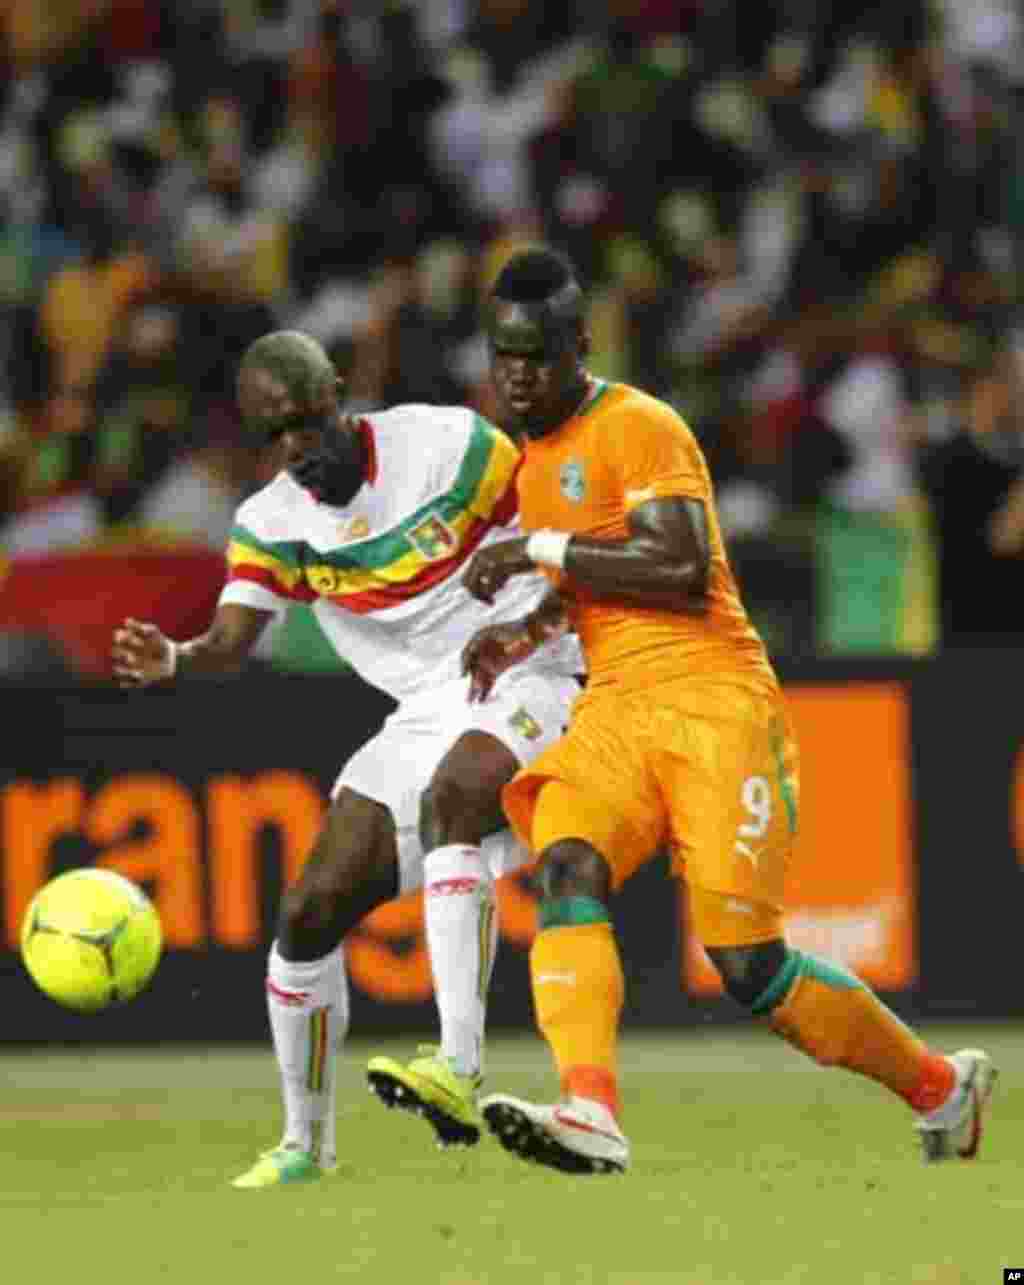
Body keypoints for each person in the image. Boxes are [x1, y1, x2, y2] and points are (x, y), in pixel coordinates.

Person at [460, 247, 995, 1175]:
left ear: (579, 345)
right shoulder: (531, 463)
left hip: (713, 699)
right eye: (503, 355)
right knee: (565, 864)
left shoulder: (641, 426)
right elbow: (589, 577)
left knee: (750, 966)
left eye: (537, 354)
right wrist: (529, 627)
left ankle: (940, 1086)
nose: (517, 374)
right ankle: (589, 1106)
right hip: (617, 704)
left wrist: (538, 551)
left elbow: (675, 566)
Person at [112, 330, 582, 1186]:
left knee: (455, 799)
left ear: (338, 391)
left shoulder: (450, 445)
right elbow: (228, 641)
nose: (296, 449)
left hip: (535, 668)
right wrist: (176, 659)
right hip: (425, 711)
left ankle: (456, 1066)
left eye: (306, 421)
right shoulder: (272, 521)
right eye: (273, 435)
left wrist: (533, 622)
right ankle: (304, 1145)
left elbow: (566, 534)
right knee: (307, 912)